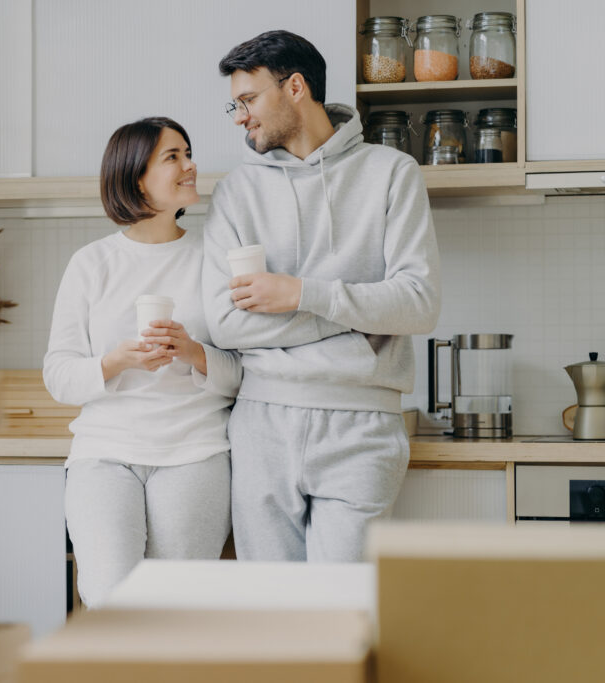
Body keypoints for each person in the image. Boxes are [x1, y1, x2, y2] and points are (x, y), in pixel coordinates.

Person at [202, 31, 441, 562]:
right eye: (234, 104)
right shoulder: (237, 192)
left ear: (294, 87)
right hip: (262, 421)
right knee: (273, 617)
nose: (239, 117)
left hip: (363, 426)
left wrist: (299, 293)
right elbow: (225, 325)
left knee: (345, 613)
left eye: (248, 101)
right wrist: (359, 315)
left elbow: (419, 303)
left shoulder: (391, 174)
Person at [44, 117, 242, 607]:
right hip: (105, 452)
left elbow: (244, 373)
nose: (191, 165)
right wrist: (114, 361)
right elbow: (59, 375)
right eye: (173, 156)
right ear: (136, 176)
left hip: (195, 452)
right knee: (110, 599)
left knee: (177, 606)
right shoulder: (91, 263)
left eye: (187, 153)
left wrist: (194, 353)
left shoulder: (216, 260)